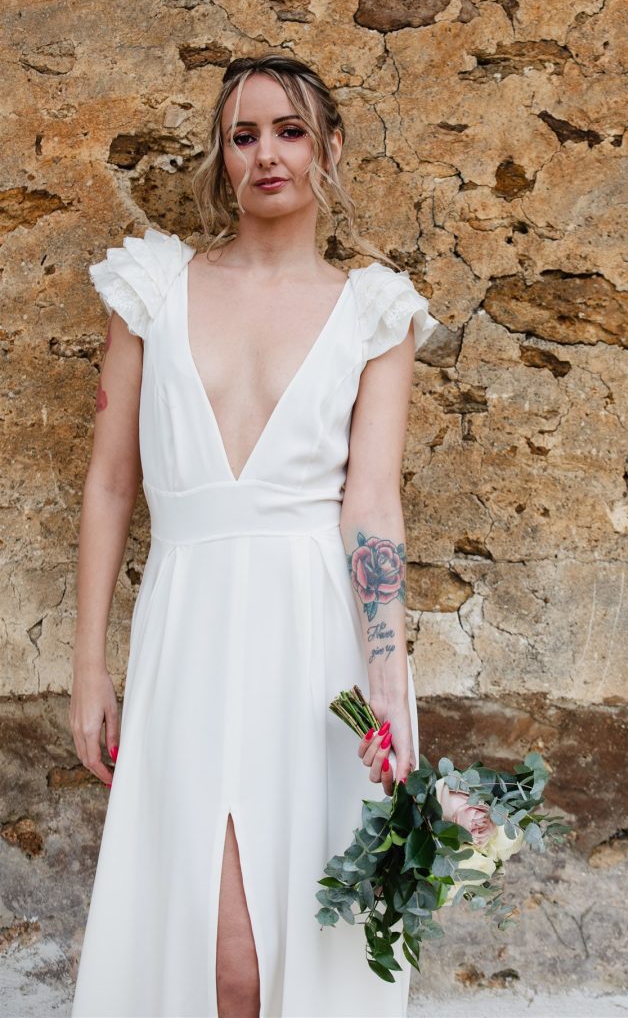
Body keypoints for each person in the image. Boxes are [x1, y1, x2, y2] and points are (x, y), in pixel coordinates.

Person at [68, 52, 439, 1018]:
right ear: (220, 158)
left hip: (314, 640)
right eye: (243, 135)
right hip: (186, 624)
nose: (266, 154)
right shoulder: (151, 288)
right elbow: (111, 485)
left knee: (294, 953)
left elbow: (372, 505)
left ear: (330, 150)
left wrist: (390, 680)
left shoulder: (374, 312)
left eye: (289, 132)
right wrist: (90, 666)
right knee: (212, 952)